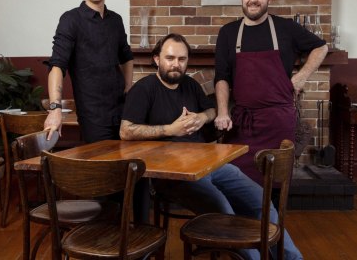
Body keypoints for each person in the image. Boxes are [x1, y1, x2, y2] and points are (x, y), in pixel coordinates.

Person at [120, 33, 303, 260]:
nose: (176, 64)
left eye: (182, 59)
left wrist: (202, 117)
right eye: (170, 58)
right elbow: (125, 130)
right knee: (224, 211)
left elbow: (213, 110)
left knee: (262, 203)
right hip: (174, 176)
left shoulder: (190, 85)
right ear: (157, 59)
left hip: (210, 163)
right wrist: (169, 130)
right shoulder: (144, 89)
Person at [214, 0, 328, 185]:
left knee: (275, 180)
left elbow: (321, 47)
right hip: (243, 124)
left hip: (279, 122)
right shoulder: (228, 33)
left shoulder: (285, 28)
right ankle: (244, 219)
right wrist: (222, 112)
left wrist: (300, 78)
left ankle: (272, 218)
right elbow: (221, 77)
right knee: (235, 179)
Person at [43, 0, 133, 143]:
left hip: (123, 112)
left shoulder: (116, 20)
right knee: (101, 168)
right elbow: (57, 66)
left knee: (127, 165)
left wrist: (128, 89)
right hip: (93, 115)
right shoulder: (70, 20)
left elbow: (126, 56)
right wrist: (55, 108)